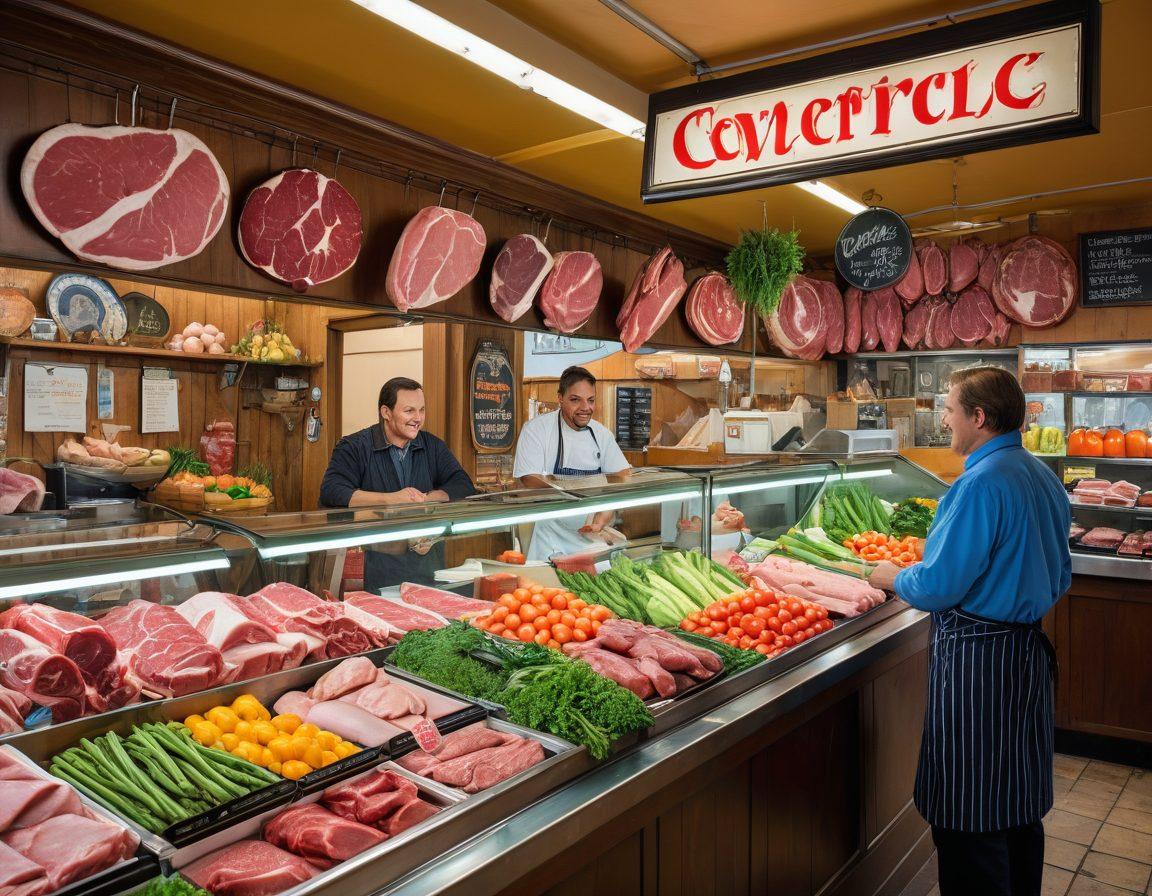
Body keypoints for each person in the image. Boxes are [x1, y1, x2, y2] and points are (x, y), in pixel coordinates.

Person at [869, 367, 1070, 896]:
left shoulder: (979, 483)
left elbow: (938, 587)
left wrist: (893, 575)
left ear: (978, 418)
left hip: (980, 667)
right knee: (1019, 806)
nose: (944, 419)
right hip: (1025, 654)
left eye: (950, 409)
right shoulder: (1039, 472)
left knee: (970, 814)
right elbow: (1059, 569)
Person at [319, 377, 476, 590]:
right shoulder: (353, 447)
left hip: (426, 570)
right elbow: (332, 491)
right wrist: (392, 500)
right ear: (386, 412)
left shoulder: (432, 446)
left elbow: (463, 485)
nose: (418, 418)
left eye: (421, 410)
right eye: (409, 411)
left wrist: (426, 500)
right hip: (374, 571)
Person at [513, 366, 631, 561]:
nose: (585, 408)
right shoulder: (536, 430)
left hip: (590, 536)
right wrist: (574, 490)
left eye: (591, 400)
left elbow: (623, 475)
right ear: (560, 397)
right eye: (576, 400)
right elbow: (529, 479)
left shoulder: (600, 434)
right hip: (550, 538)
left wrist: (605, 512)